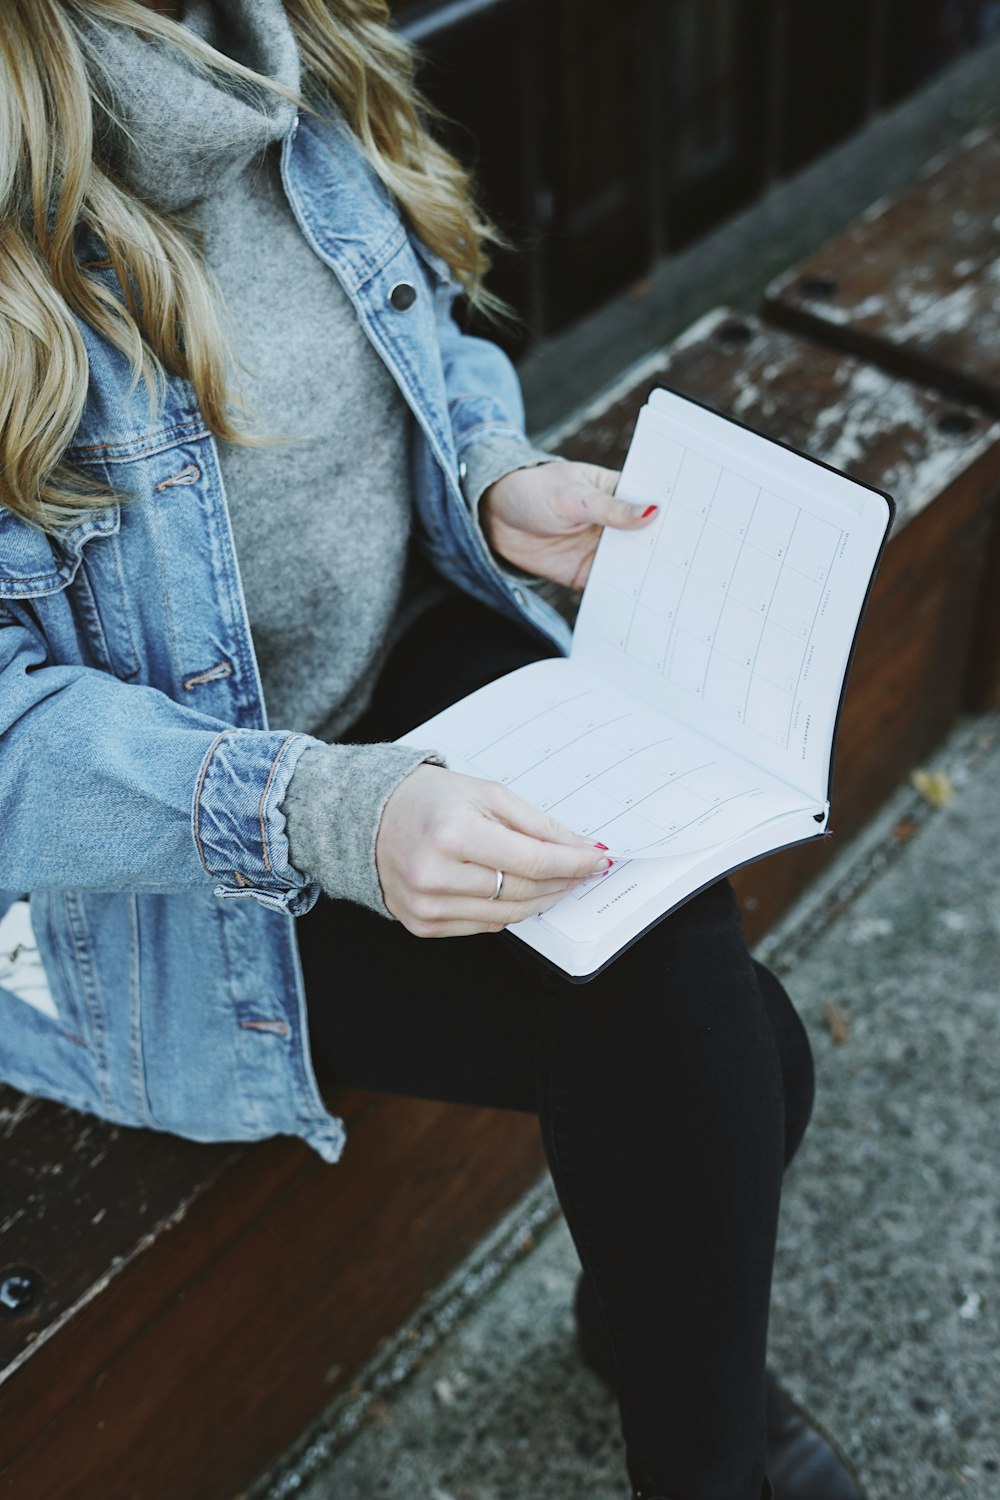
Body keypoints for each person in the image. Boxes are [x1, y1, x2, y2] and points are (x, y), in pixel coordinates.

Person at [0, 3, 863, 1497]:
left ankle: (660, 1349)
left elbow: (417, 339)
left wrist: (490, 472)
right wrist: (326, 813)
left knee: (700, 1006)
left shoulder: (280, 40)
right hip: (168, 856)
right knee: (714, 1055)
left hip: (400, 662)